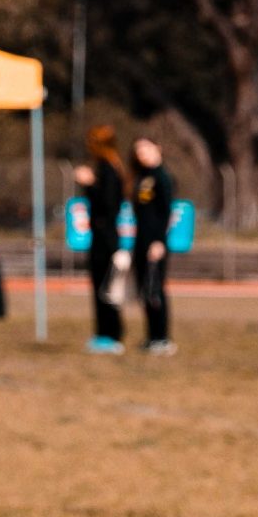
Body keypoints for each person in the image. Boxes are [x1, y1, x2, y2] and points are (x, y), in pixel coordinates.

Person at [75, 126, 127, 354]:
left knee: (106, 288)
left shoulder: (108, 169)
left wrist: (88, 184)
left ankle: (110, 334)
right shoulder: (110, 168)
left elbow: (106, 205)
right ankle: (103, 333)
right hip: (103, 236)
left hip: (106, 239)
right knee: (101, 288)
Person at [128, 136, 176, 355]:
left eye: (146, 149)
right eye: (138, 151)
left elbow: (165, 212)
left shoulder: (162, 177)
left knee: (155, 289)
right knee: (145, 290)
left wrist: (158, 241)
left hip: (155, 242)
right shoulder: (142, 177)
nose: (142, 154)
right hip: (141, 239)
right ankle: (151, 336)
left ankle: (162, 338)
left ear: (158, 148)